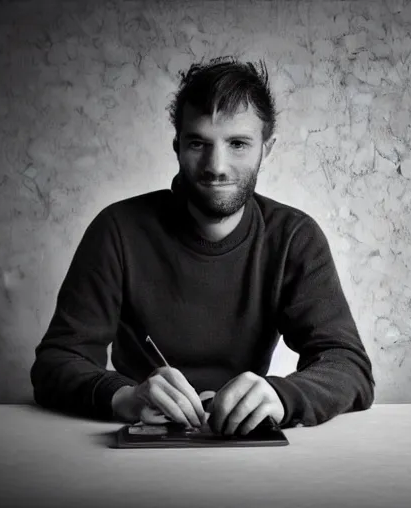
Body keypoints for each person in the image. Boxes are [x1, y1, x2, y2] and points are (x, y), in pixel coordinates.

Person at [30, 56, 375, 435]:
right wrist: (124, 396)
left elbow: (349, 366)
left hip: (244, 450)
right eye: (198, 143)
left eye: (238, 144)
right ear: (177, 146)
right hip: (138, 449)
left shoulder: (294, 237)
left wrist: (282, 396)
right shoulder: (117, 230)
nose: (217, 165)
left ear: (267, 148)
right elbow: (56, 361)